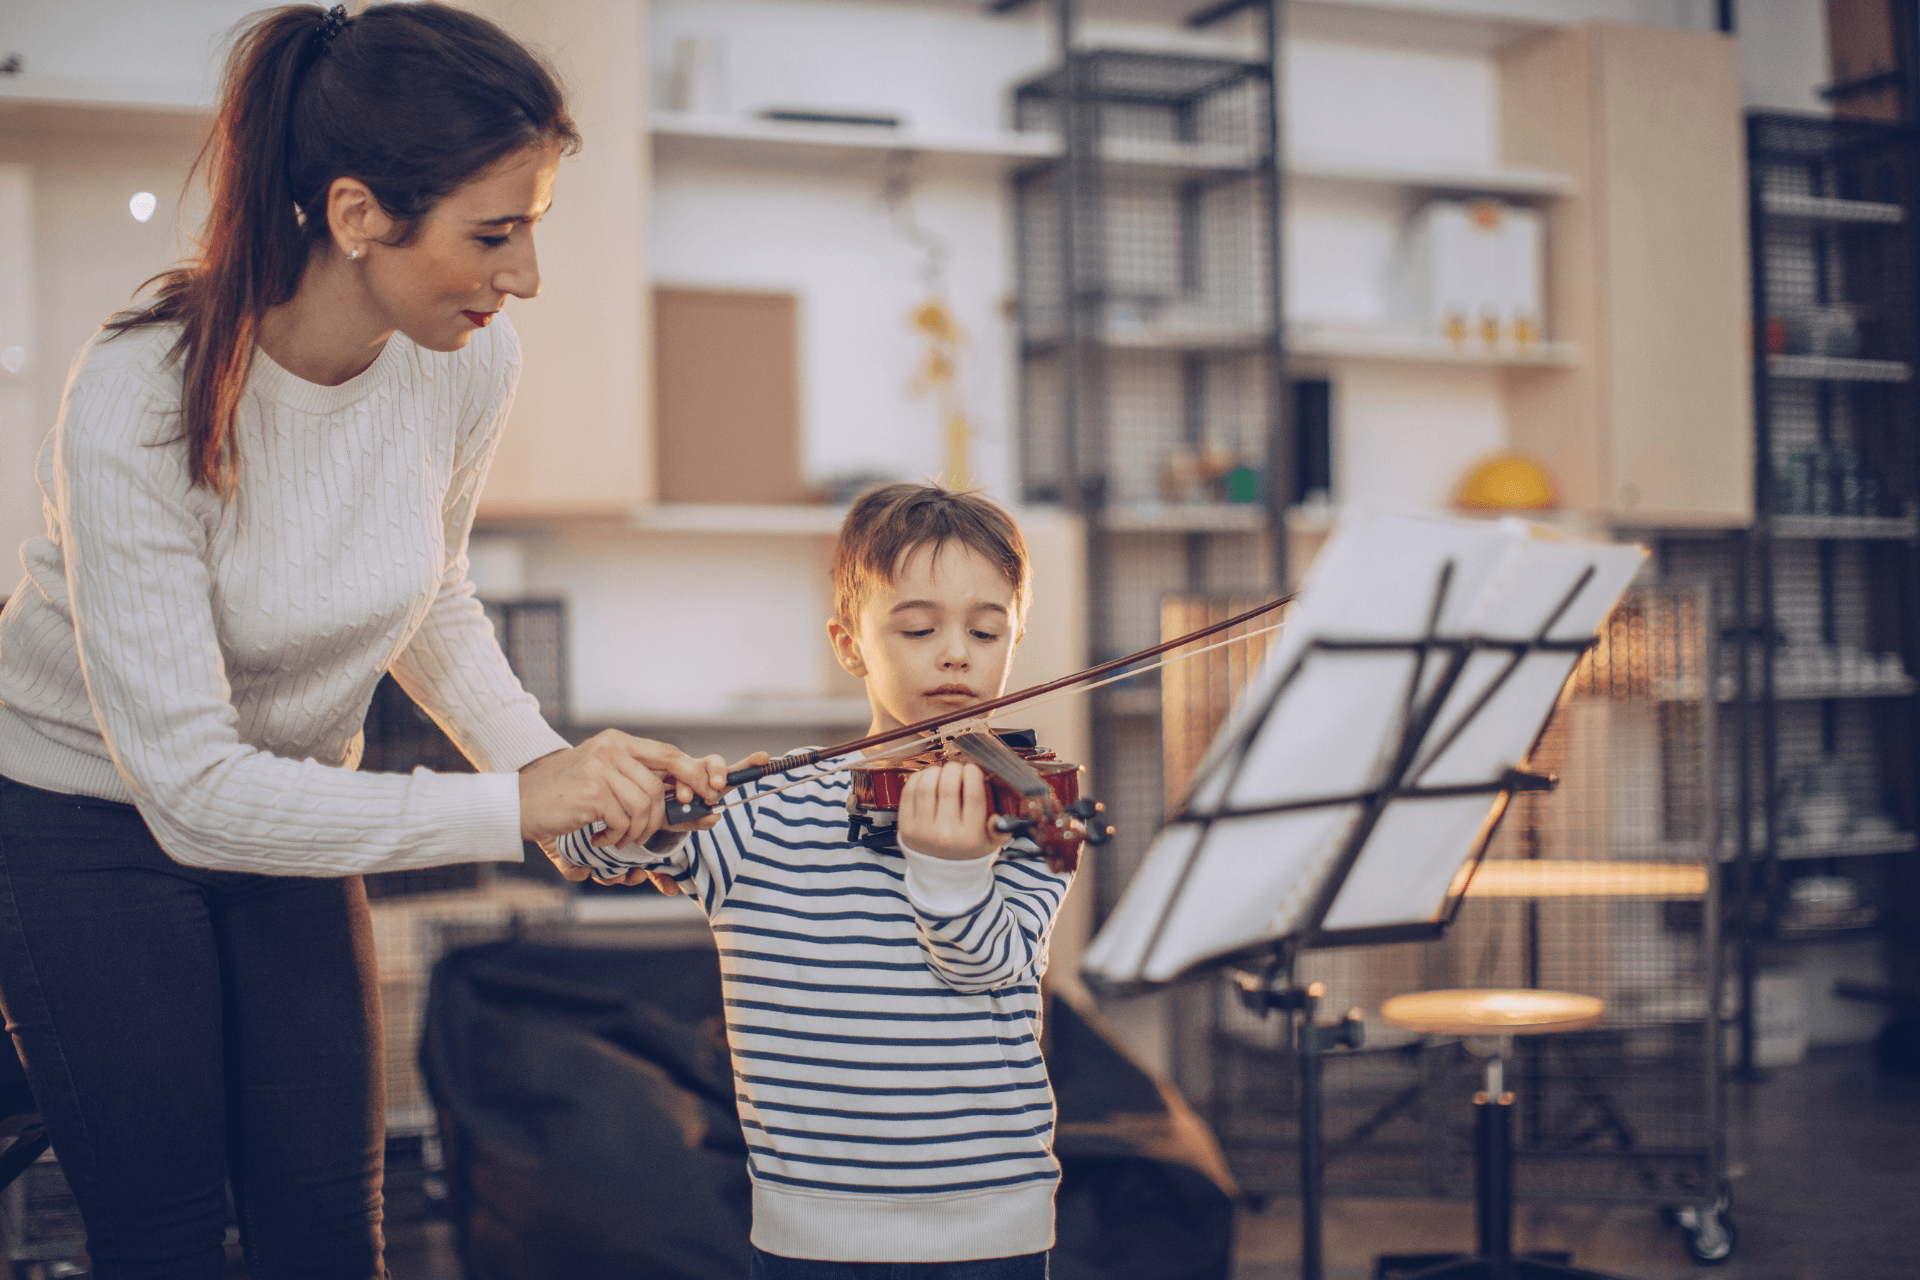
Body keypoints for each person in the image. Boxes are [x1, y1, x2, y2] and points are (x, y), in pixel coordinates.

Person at [0, 5, 722, 1277]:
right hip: (85, 820)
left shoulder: (463, 360)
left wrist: (562, 782)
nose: (525, 277)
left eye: (532, 230)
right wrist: (507, 805)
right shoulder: (135, 399)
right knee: (166, 1233)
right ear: (355, 215)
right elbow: (194, 794)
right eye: (493, 234)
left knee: (330, 1228)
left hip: (289, 815)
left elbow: (428, 596)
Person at [554, 483, 1072, 1279]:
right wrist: (654, 812)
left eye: (987, 628)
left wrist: (952, 869)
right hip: (811, 1232)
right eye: (919, 627)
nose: (957, 652)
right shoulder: (763, 812)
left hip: (988, 1224)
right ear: (850, 642)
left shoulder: (1025, 814)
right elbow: (585, 849)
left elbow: (987, 963)